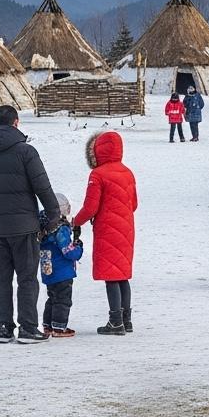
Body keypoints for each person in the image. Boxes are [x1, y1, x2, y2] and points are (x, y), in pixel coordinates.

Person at [0, 104, 62, 344]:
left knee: (1, 277)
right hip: (25, 227)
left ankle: (4, 327)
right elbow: (43, 187)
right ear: (16, 123)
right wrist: (53, 216)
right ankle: (28, 328)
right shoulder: (26, 152)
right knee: (27, 278)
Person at [71, 131, 138, 335]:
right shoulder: (128, 172)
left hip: (107, 229)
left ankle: (115, 322)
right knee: (122, 275)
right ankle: (127, 320)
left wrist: (76, 221)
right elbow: (134, 204)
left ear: (98, 151)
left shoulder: (98, 174)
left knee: (111, 275)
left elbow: (91, 207)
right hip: (126, 228)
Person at [39, 193, 82, 338]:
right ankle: (59, 327)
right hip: (62, 271)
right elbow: (68, 252)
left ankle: (48, 325)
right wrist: (78, 246)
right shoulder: (60, 229)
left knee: (52, 297)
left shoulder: (42, 228)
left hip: (48, 269)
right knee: (63, 299)